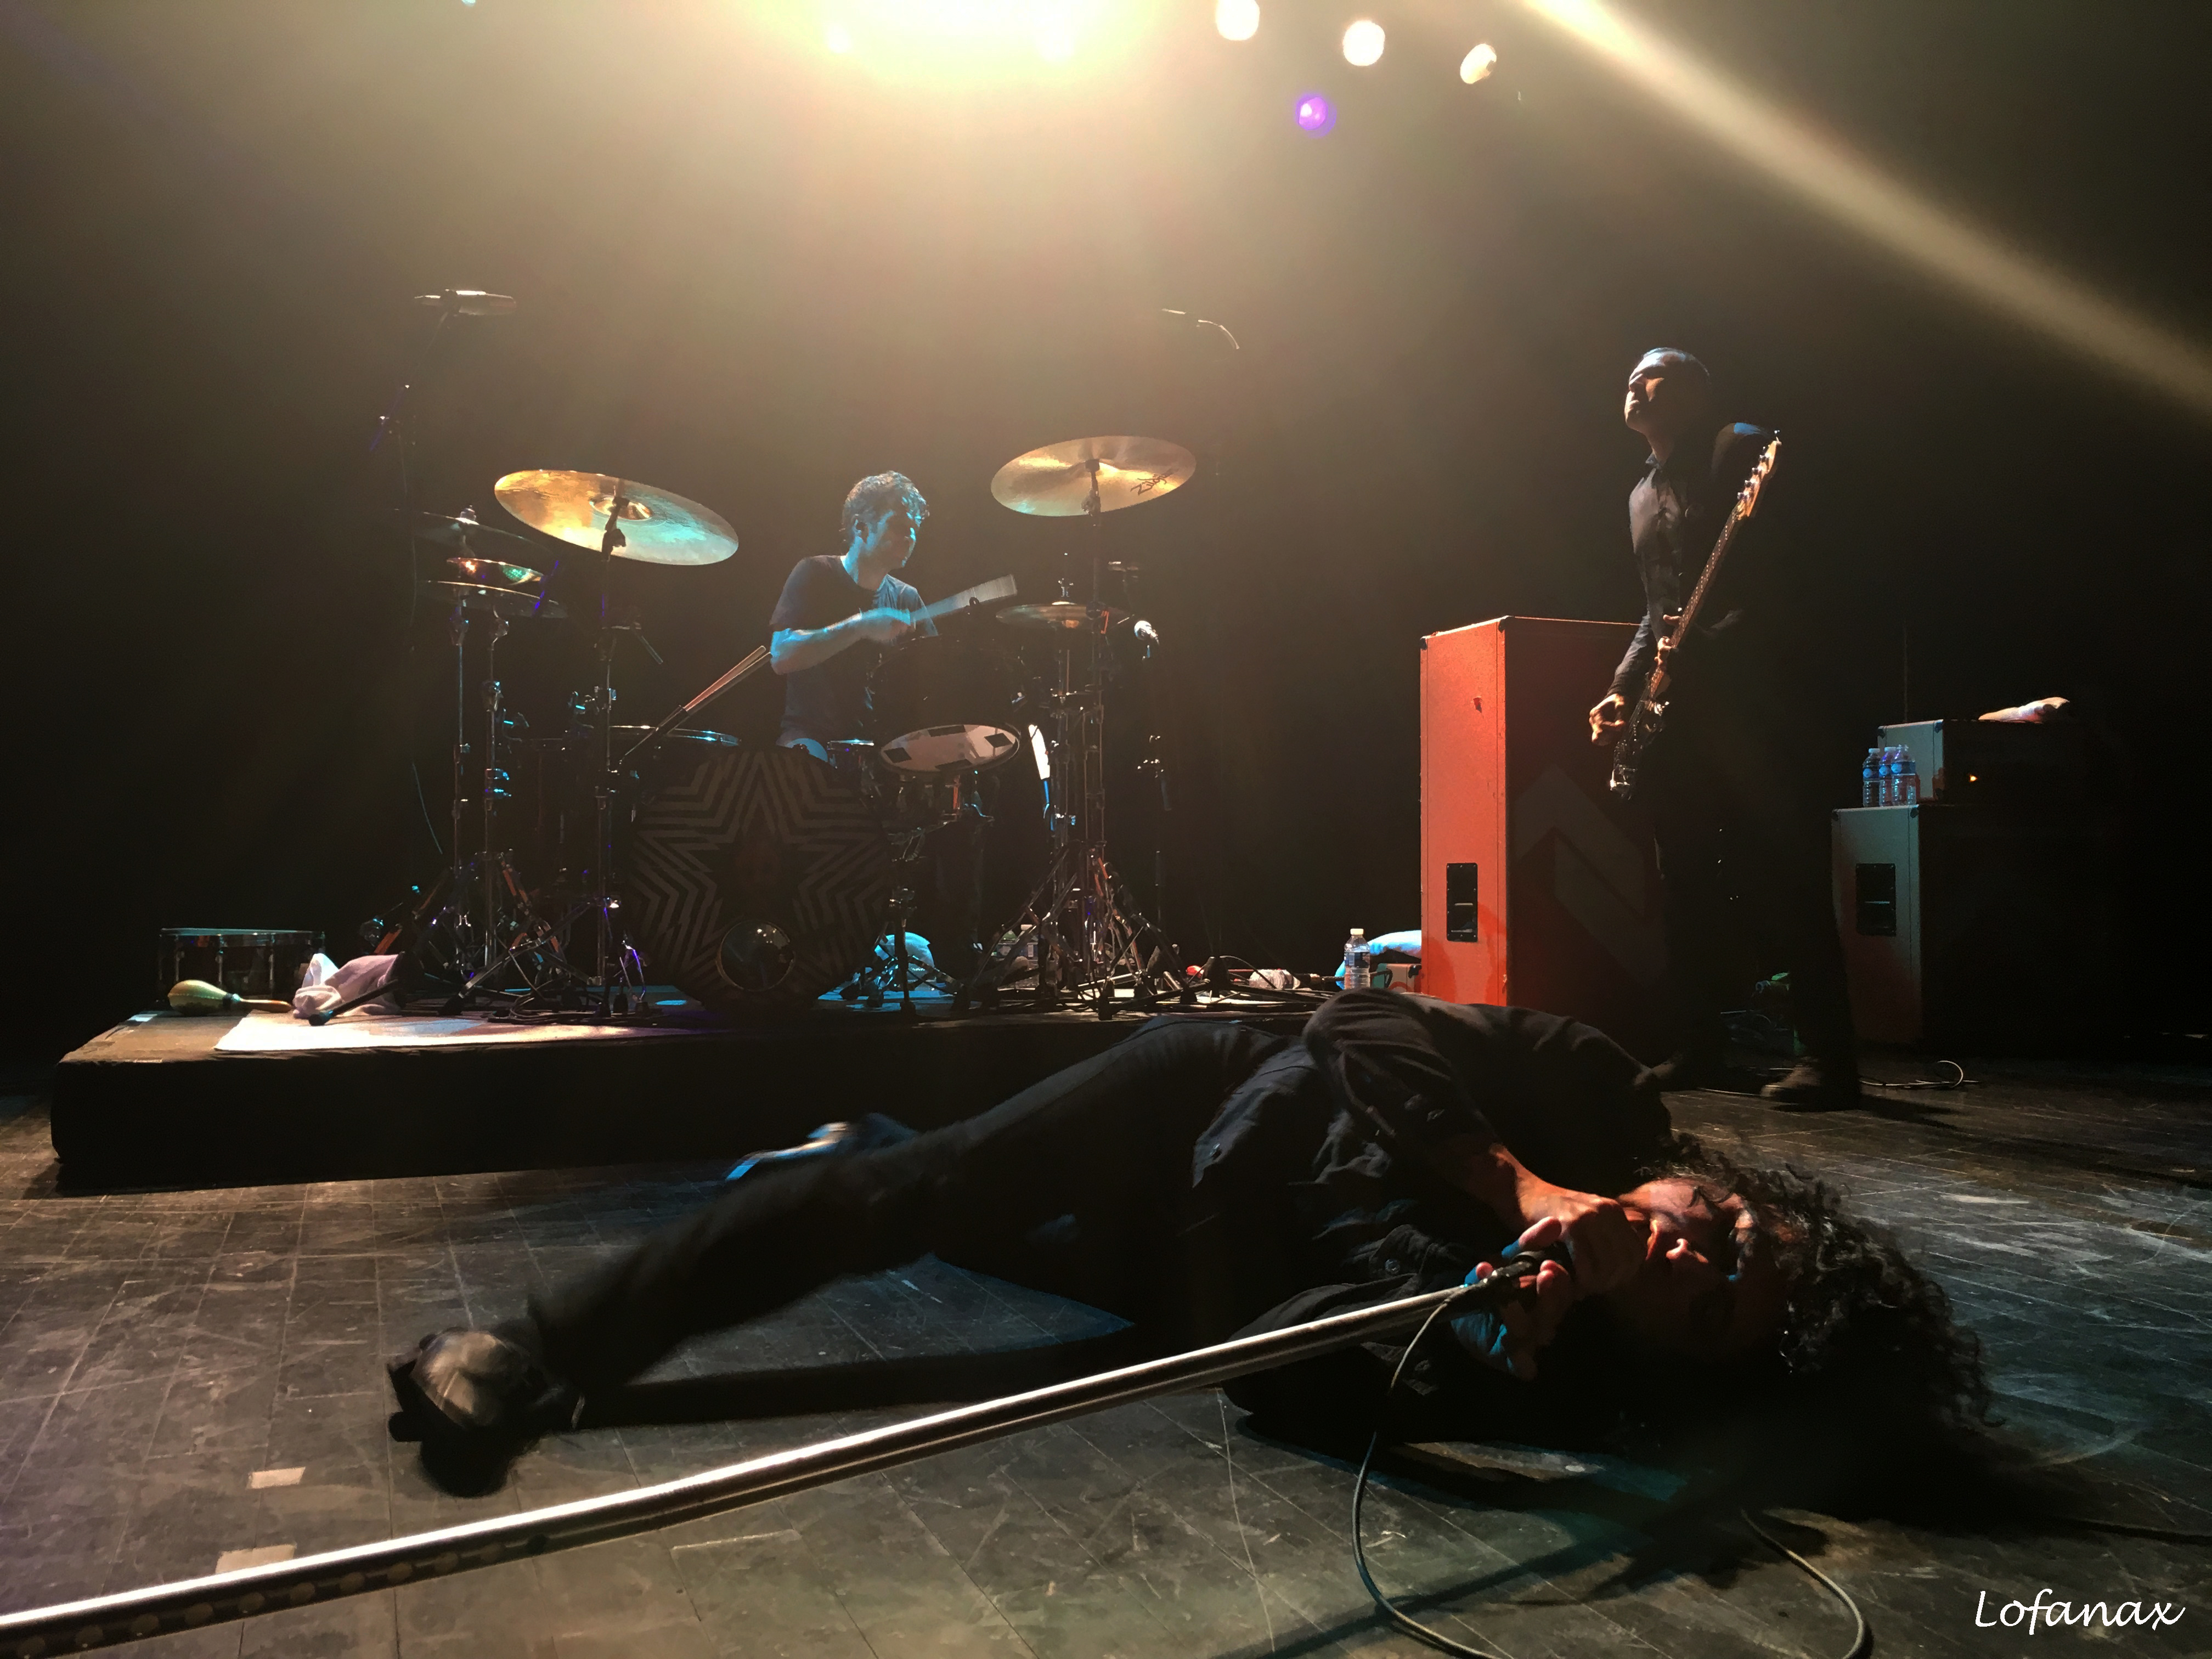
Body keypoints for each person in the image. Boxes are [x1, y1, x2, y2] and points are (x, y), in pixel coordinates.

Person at [388, 991, 1984, 1489]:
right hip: (1207, 1096)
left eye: (1709, 1308)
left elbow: (1268, 1376)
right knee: (922, 1203)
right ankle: (534, 1353)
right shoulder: (1600, 1095)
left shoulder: (1555, 1370)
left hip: (1208, 1270)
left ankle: (851, 1143)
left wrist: (1471, 1332)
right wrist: (1517, 1193)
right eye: (1731, 1236)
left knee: (1007, 1254)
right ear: (1719, 1184)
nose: (1694, 1261)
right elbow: (1360, 1019)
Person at [1587, 349, 1859, 1107]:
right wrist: (1621, 689)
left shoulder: (1736, 448)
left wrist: (1723, 646)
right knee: (1684, 884)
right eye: (1630, 376)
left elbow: (1791, 574)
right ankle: (1697, 1047)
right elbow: (1657, 609)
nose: (1636, 384)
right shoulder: (1639, 495)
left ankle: (1829, 1060)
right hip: (1682, 712)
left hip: (1755, 709)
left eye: (1655, 373)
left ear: (1694, 391)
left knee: (1787, 874)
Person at [769, 471, 983, 978]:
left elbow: (935, 692)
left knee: (966, 811)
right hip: (812, 738)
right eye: (898, 525)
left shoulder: (906, 597)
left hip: (883, 751)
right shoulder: (815, 575)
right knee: (818, 802)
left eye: (915, 528)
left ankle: (958, 955)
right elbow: (782, 656)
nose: (910, 536)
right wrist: (860, 626)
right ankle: (814, 947)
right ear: (861, 525)